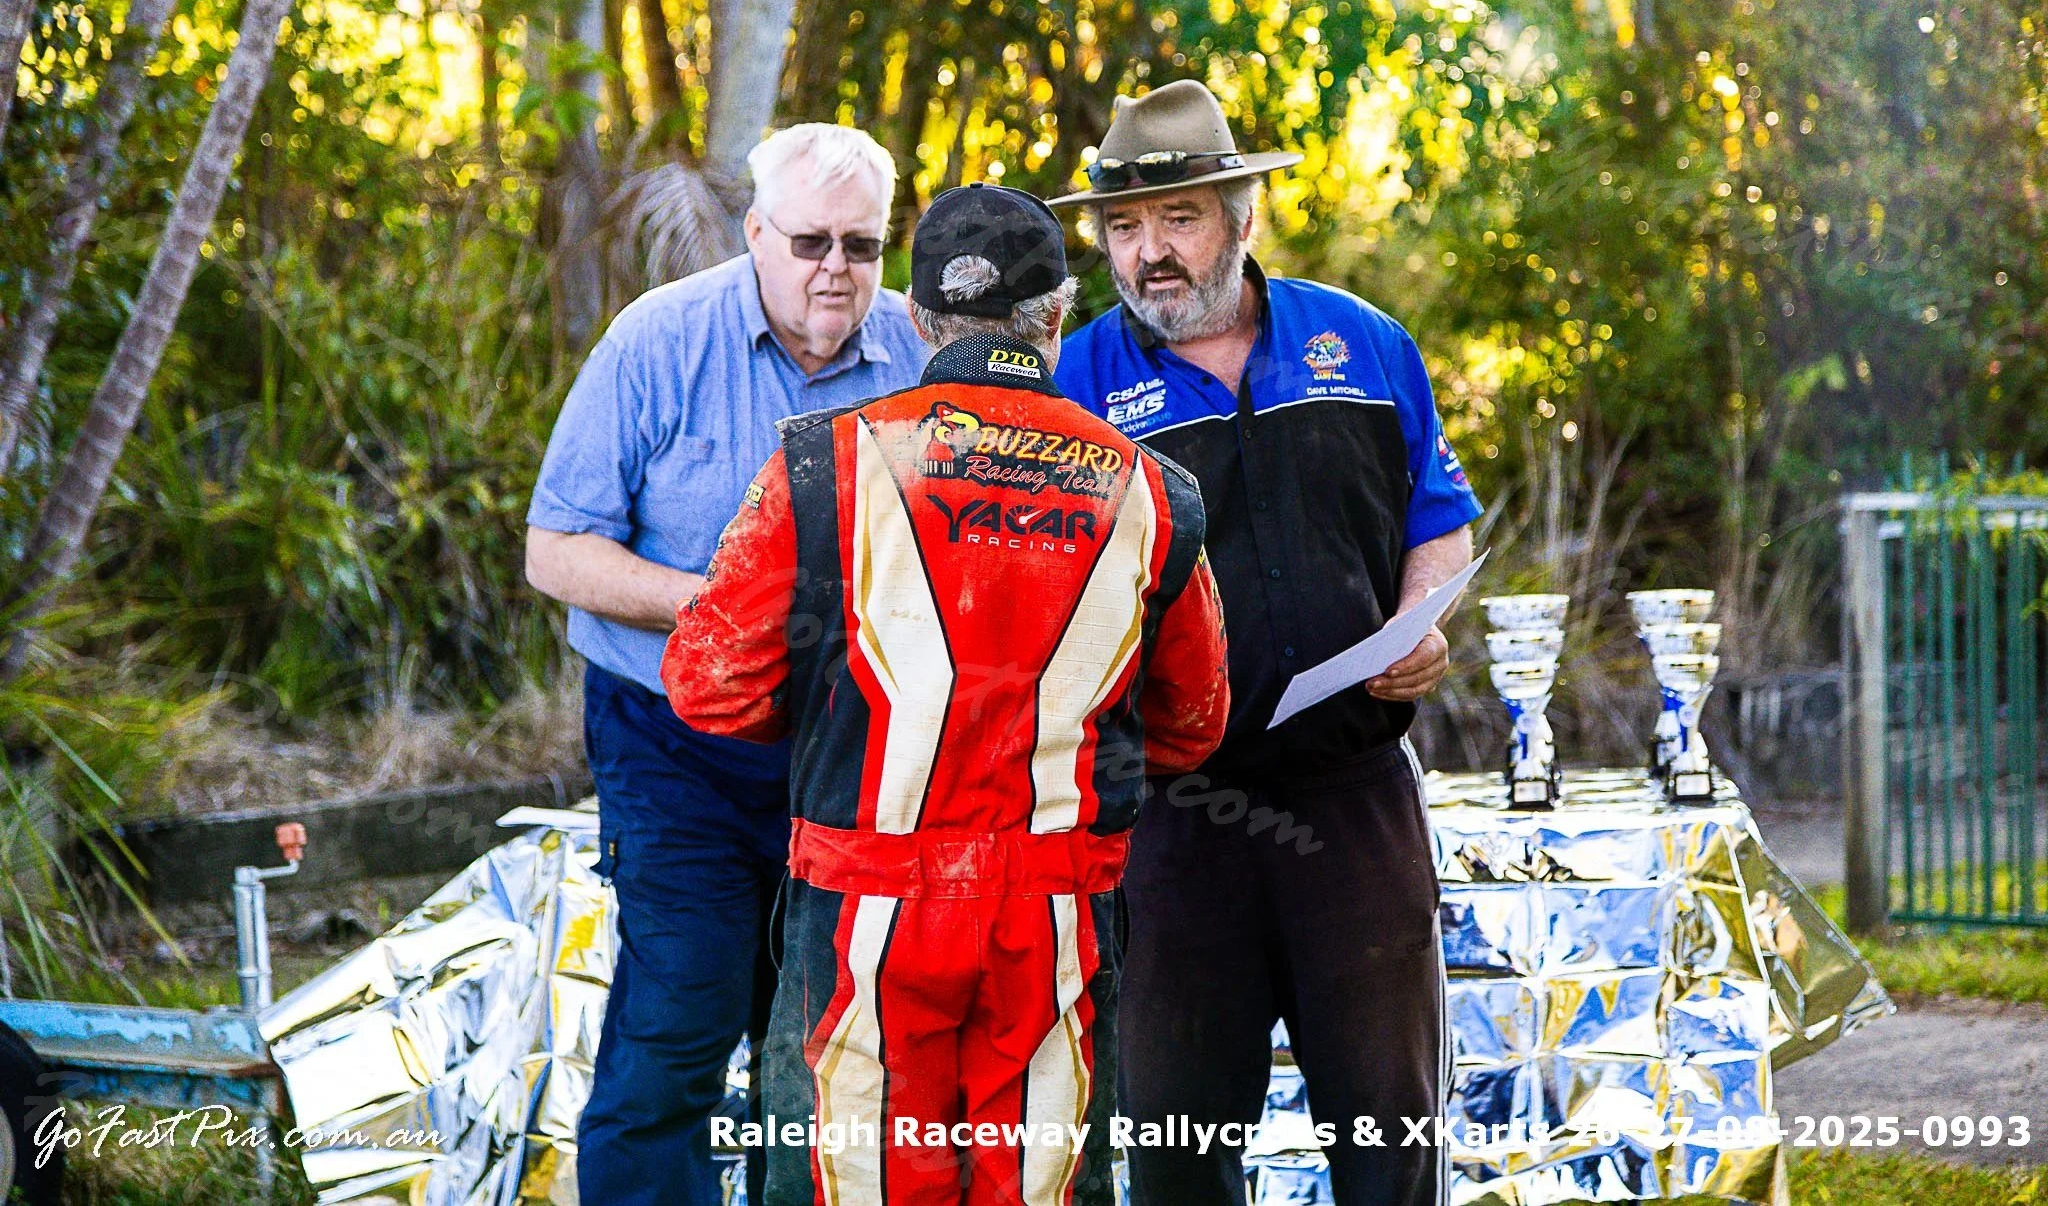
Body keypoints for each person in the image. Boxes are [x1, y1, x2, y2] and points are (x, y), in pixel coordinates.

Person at [663, 183, 1231, 1206]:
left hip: (861, 914)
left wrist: (849, 705)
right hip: (1054, 919)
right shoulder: (1155, 492)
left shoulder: (820, 463)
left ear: (917, 319)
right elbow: (1192, 726)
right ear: (1057, 312)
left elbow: (708, 688)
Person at [1050, 80, 1484, 1206]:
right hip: (1174, 823)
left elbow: (1436, 518)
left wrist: (1420, 624)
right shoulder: (1074, 385)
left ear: (1242, 216)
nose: (1147, 254)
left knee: (1391, 1144)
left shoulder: (1365, 343)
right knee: (1181, 1156)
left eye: (1177, 220)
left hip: (1355, 805)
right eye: (1122, 228)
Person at [525, 123, 931, 1206]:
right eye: (808, 243)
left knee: (824, 1046)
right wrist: (717, 609)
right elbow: (556, 549)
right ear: (754, 232)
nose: (835, 269)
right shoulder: (656, 342)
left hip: (846, 754)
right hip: (675, 740)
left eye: (861, 245)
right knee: (681, 1016)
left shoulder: (917, 354)